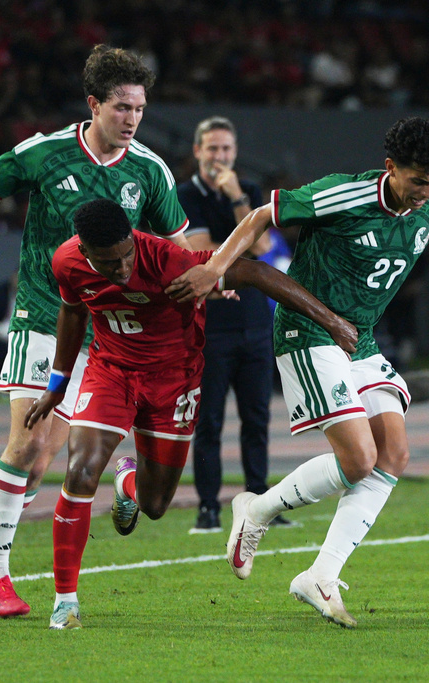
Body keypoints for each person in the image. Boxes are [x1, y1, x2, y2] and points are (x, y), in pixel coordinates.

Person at [167, 116, 429, 628]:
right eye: (418, 180)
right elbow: (261, 216)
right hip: (309, 332)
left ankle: (321, 575)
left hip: (359, 340)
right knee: (360, 457)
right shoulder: (342, 196)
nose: (427, 192)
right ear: (391, 168)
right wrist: (215, 266)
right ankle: (256, 510)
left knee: (394, 454)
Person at [0, 44, 193, 618]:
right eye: (122, 108)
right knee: (26, 443)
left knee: (46, 456)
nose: (132, 119)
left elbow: (178, 248)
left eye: (140, 109)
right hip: (42, 316)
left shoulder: (149, 170)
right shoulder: (47, 153)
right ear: (94, 104)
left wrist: (208, 278)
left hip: (101, 334)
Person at [23, 198, 357, 630]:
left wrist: (330, 321)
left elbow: (256, 271)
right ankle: (65, 601)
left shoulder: (168, 261)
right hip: (111, 372)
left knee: (156, 504)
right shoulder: (67, 261)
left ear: (134, 238)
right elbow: (71, 311)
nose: (122, 269)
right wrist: (57, 385)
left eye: (127, 255)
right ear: (84, 252)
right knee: (80, 471)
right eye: (109, 263)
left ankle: (127, 480)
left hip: (174, 381)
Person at [178, 116, 292, 533]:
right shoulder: (184, 194)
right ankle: (208, 508)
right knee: (208, 421)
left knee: (257, 418)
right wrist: (236, 217)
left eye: (226, 149)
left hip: (256, 322)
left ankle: (262, 504)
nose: (219, 157)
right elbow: (203, 252)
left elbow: (263, 246)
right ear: (197, 152)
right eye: (212, 149)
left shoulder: (246, 192)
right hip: (211, 324)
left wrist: (238, 200)